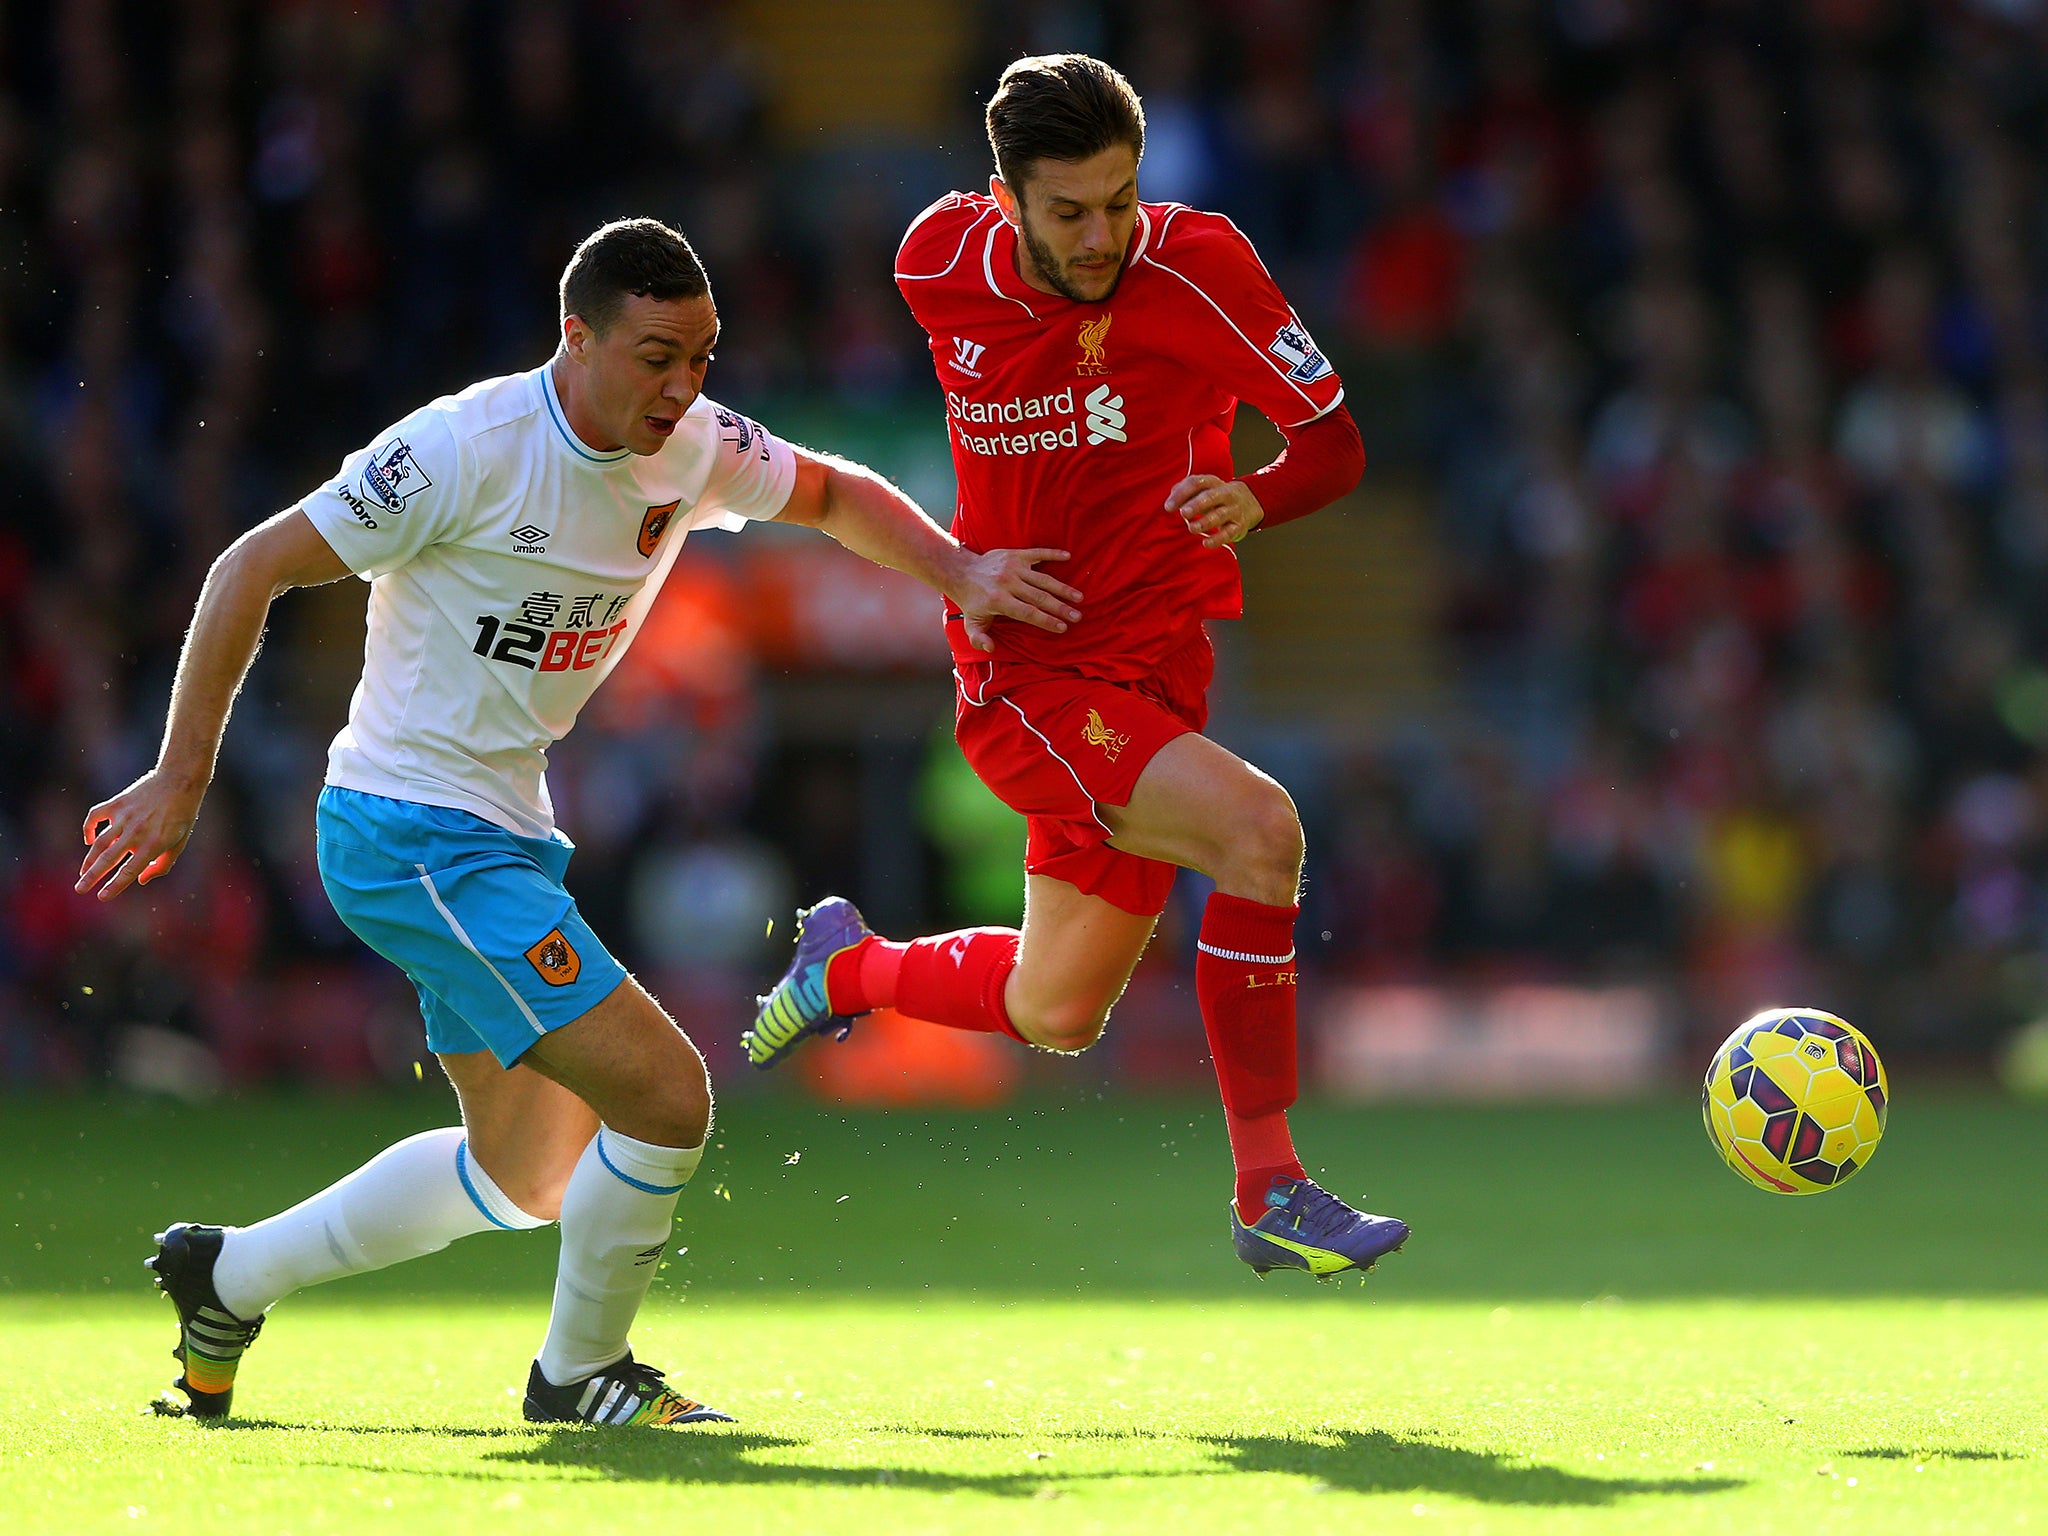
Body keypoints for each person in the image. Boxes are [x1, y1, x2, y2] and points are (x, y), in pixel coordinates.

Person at [78, 218, 1078, 1425]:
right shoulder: (460, 449)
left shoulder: (688, 447)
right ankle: (579, 1376)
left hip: (499, 834)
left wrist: (960, 575)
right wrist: (182, 778)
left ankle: (227, 1276)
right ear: (576, 337)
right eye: (657, 356)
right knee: (667, 1098)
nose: (683, 387)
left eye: (702, 358)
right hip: (407, 830)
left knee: (525, 1176)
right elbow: (249, 565)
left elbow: (828, 491)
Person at [745, 54, 1410, 1281]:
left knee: (1055, 1011)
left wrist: (1255, 497)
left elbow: (1335, 446)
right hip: (1032, 683)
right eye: (1068, 211)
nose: (1103, 235)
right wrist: (962, 567)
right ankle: (1271, 1185)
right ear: (1001, 200)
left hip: (1158, 674)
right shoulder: (932, 265)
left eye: (1119, 199)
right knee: (1261, 834)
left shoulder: (1198, 265)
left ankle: (846, 965)